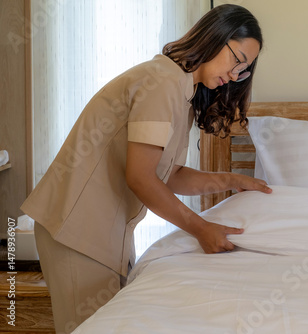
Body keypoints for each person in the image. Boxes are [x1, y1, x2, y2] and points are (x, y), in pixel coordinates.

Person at [20, 4, 270, 333]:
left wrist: (232, 180)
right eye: (237, 59)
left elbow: (169, 175)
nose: (235, 75)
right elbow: (140, 178)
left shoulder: (182, 89)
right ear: (213, 37)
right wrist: (200, 228)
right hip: (77, 229)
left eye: (244, 70)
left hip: (106, 233)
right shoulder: (163, 82)